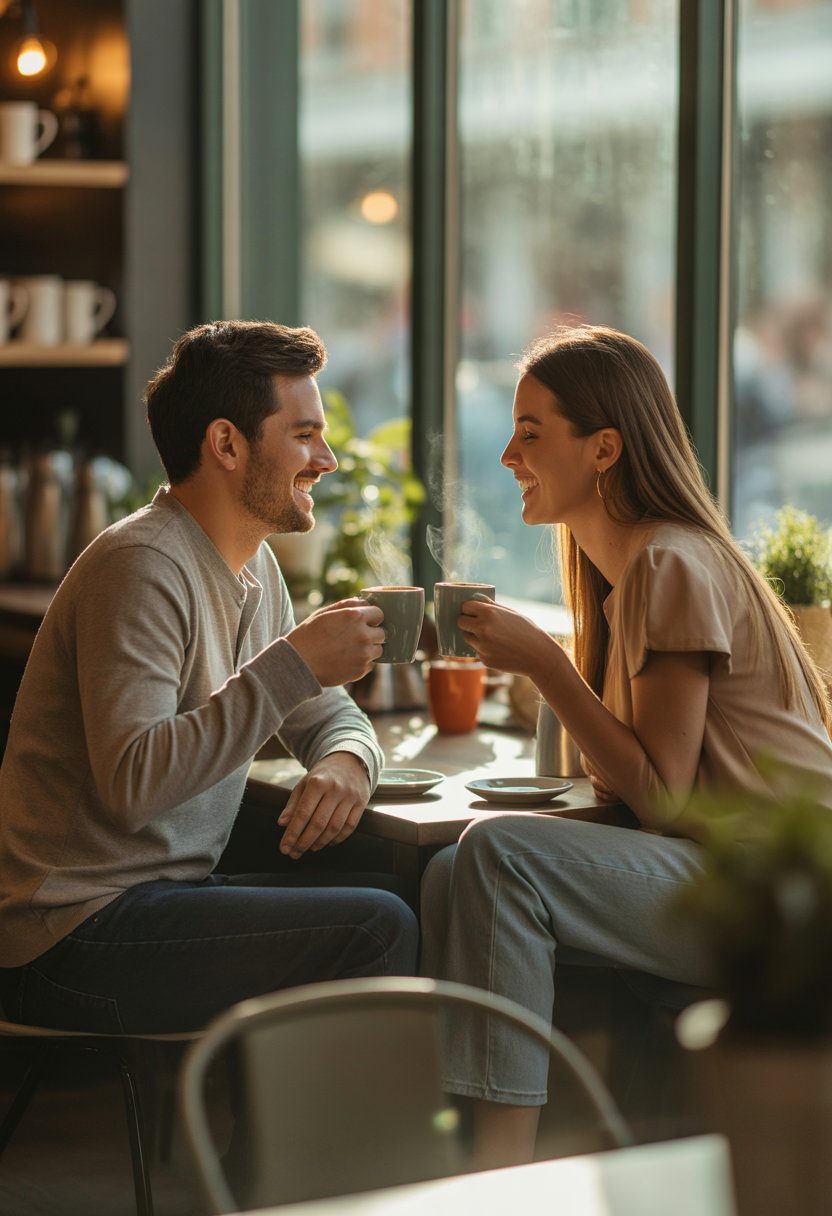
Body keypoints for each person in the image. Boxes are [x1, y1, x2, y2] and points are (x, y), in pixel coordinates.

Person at [420, 323, 832, 1166]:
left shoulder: (667, 563)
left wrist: (543, 664)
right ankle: (468, 1138)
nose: (506, 455)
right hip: (730, 870)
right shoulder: (628, 575)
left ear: (604, 448)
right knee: (450, 870)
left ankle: (499, 1168)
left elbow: (666, 799)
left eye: (530, 433)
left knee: (494, 857)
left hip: (786, 902)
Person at [0, 320, 418, 1035]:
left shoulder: (253, 566)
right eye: (304, 435)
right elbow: (135, 785)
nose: (328, 458)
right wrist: (293, 666)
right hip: (69, 930)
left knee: (407, 890)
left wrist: (350, 762)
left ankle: (277, 1148)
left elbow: (328, 715)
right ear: (226, 444)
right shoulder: (142, 566)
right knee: (374, 927)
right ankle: (292, 1152)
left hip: (161, 896)